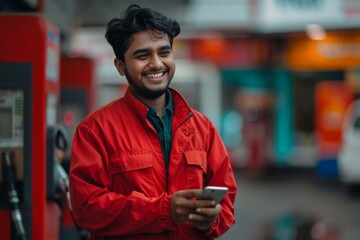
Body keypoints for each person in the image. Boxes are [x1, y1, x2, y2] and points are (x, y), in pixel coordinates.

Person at [69, 4, 237, 240]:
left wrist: (212, 219)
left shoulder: (203, 129)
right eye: (142, 55)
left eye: (164, 52)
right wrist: (163, 211)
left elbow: (227, 203)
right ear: (120, 66)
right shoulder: (95, 130)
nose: (156, 63)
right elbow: (86, 209)